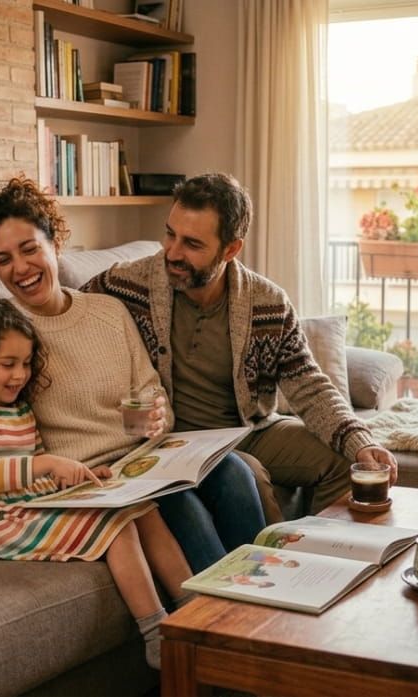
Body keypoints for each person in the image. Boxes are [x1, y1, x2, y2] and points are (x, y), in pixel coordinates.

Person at [0, 175, 266, 573]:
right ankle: (222, 617)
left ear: (55, 245)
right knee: (182, 507)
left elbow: (150, 392)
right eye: (3, 260)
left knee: (234, 472)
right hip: (85, 483)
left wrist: (156, 416)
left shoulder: (108, 311)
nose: (21, 268)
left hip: (142, 460)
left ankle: (266, 588)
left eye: (30, 250)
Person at [82, 172, 399, 518]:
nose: (172, 253)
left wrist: (360, 440)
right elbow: (64, 312)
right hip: (169, 441)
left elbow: (309, 385)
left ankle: (317, 552)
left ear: (231, 248)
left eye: (192, 244)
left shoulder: (267, 303)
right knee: (247, 474)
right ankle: (270, 565)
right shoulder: (127, 283)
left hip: (249, 431)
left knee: (347, 459)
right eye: (170, 234)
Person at [0, 292, 192, 670]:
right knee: (117, 526)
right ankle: (156, 632)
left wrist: (83, 479)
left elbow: (37, 470)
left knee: (141, 509)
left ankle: (191, 610)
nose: (19, 374)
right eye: (7, 364)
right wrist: (48, 464)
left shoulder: (19, 409)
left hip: (23, 504)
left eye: (25, 363)